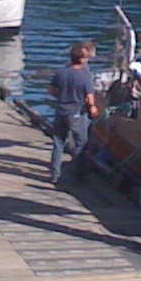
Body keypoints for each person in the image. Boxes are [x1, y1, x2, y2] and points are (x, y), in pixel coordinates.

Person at [47, 42, 97, 184]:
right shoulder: (85, 77)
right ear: (82, 59)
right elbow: (90, 98)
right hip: (76, 113)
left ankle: (55, 174)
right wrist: (93, 108)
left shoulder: (60, 72)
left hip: (61, 111)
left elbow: (51, 91)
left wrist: (61, 96)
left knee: (58, 142)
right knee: (81, 144)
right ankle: (79, 177)